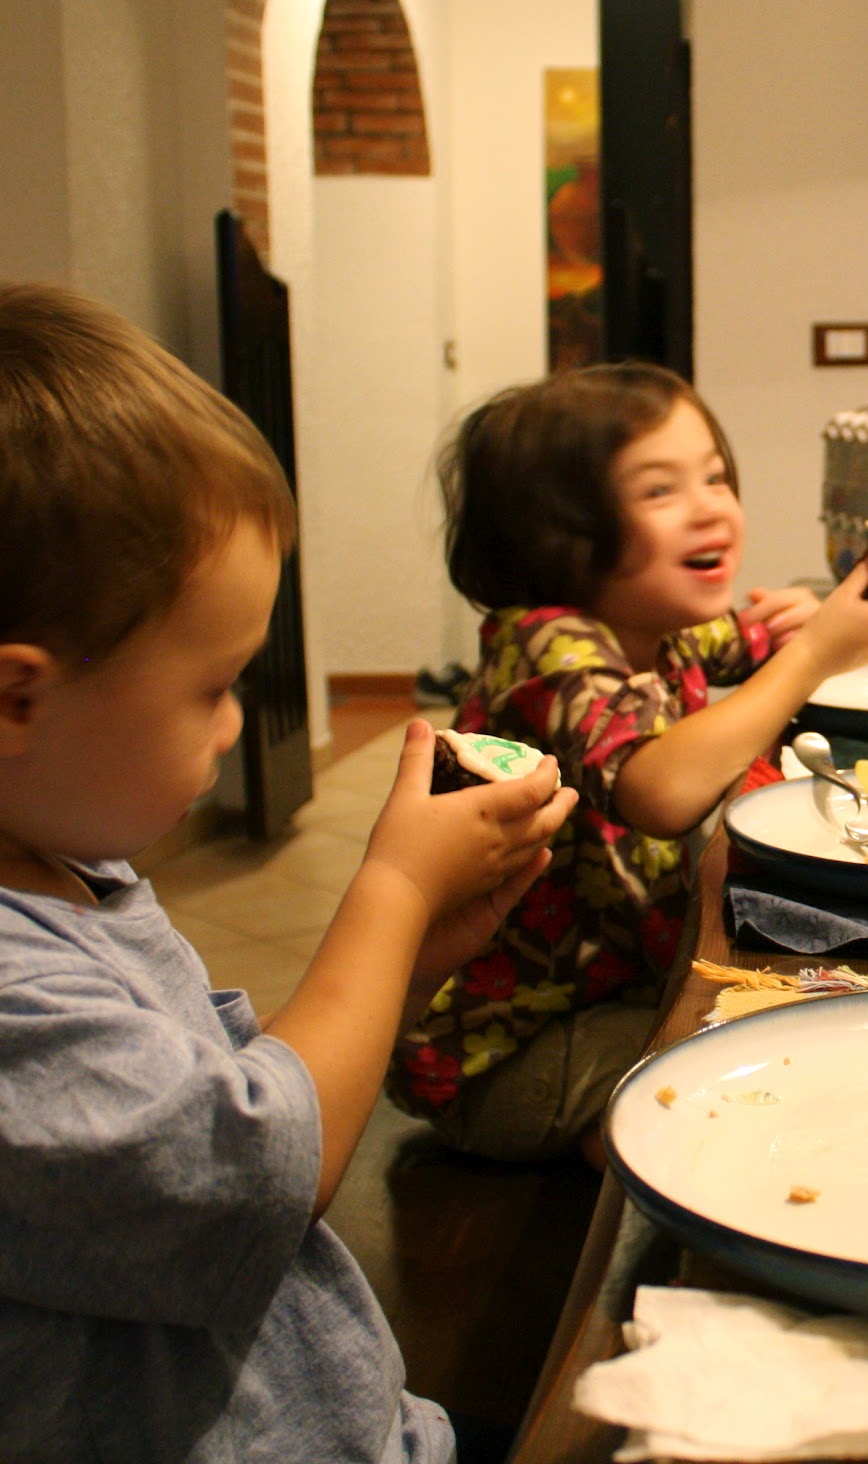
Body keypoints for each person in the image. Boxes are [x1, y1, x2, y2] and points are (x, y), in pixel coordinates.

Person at [0, 281, 578, 1463]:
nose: (232, 727)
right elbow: (250, 1173)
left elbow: (226, 1083)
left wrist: (410, 959)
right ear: (16, 698)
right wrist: (391, 894)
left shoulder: (79, 872)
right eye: (213, 687)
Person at [388, 361, 868, 1166]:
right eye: (660, 491)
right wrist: (812, 654)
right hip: (508, 1054)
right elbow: (658, 789)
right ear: (561, 534)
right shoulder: (551, 647)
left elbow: (742, 641)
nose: (710, 508)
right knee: (743, 1098)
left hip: (605, 999)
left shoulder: (648, 625)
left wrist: (796, 626)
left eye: (715, 477)